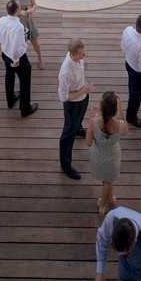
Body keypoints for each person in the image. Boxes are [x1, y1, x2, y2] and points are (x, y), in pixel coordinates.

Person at [87, 92, 128, 216]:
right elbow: (125, 131)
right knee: (108, 181)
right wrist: (120, 111)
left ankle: (104, 202)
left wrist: (91, 117)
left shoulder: (93, 122)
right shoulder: (120, 124)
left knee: (107, 181)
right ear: (115, 110)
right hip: (113, 158)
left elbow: (88, 143)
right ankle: (106, 202)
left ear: (101, 107)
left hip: (98, 156)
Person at [0, 0, 38, 118]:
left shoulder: (1, 20)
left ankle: (11, 100)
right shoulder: (19, 27)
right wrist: (26, 41)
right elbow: (17, 47)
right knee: (25, 81)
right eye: (20, 7)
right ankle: (25, 108)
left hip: (5, 54)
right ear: (17, 11)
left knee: (9, 76)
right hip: (17, 59)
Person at [58, 38, 92, 180]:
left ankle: (78, 129)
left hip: (82, 97)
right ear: (73, 54)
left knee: (78, 122)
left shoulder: (79, 58)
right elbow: (65, 97)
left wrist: (84, 92)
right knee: (67, 134)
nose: (85, 57)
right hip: (72, 104)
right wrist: (83, 90)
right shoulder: (65, 72)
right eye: (82, 54)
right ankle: (66, 165)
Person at [121, 15, 141, 128]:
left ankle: (131, 109)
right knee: (136, 95)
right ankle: (131, 117)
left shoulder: (127, 30)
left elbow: (123, 47)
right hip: (137, 73)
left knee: (131, 87)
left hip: (128, 64)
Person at [11, 0, 43, 69]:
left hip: (29, 21)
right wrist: (21, 12)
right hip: (19, 23)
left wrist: (31, 10)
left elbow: (34, 5)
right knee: (20, 43)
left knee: (35, 42)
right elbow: (11, 11)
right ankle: (18, 61)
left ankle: (40, 59)